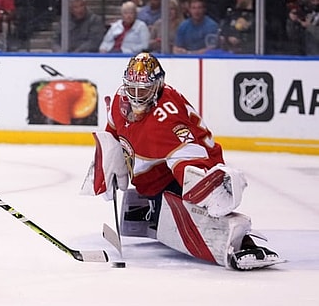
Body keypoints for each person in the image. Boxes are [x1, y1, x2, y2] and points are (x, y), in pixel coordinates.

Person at [84, 52, 282, 270]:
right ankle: (155, 206)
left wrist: (202, 187)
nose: (137, 96)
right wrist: (108, 154)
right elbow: (113, 131)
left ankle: (243, 243)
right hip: (159, 172)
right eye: (132, 88)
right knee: (160, 199)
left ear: (158, 86)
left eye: (144, 90)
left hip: (196, 165)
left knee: (199, 204)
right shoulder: (121, 100)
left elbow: (188, 155)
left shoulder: (166, 116)